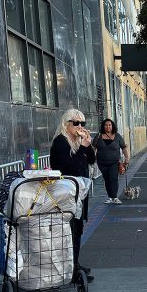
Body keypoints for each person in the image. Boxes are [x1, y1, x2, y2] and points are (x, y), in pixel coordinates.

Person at [50, 109, 95, 281]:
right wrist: (81, 148)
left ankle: (75, 264)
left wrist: (87, 144)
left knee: (78, 229)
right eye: (76, 123)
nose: (80, 126)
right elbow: (67, 168)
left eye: (82, 123)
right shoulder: (61, 142)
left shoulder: (77, 140)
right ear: (66, 123)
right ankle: (72, 270)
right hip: (67, 192)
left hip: (79, 191)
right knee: (71, 230)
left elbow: (91, 160)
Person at [93, 118, 130, 204]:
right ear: (103, 126)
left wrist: (127, 158)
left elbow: (123, 147)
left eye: (109, 125)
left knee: (113, 178)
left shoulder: (117, 136)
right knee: (107, 179)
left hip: (114, 162)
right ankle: (110, 197)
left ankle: (115, 197)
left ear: (112, 126)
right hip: (102, 162)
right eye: (106, 125)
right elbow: (93, 148)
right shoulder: (98, 136)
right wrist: (92, 158)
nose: (108, 127)